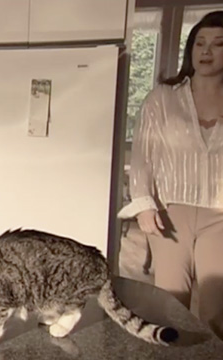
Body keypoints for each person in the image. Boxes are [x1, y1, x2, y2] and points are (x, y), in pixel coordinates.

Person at [118, 10, 223, 340]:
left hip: (220, 216)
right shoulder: (162, 98)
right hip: (169, 213)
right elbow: (143, 155)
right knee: (170, 301)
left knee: (218, 308)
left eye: (219, 44)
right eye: (200, 43)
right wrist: (144, 203)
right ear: (190, 49)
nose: (206, 51)